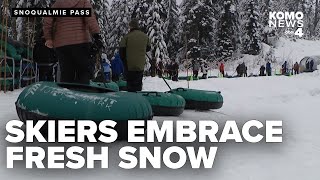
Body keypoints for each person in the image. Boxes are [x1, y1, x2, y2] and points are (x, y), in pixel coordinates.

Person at [43, 0, 103, 85]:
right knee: (83, 72)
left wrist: (49, 38)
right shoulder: (83, 2)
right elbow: (90, 18)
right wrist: (96, 35)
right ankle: (81, 93)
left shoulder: (58, 3)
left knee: (66, 73)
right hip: (81, 42)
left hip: (62, 45)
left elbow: (47, 20)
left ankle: (66, 95)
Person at [119, 19, 151, 92]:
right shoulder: (145, 36)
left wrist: (124, 61)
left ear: (130, 27)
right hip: (140, 64)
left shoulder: (127, 37)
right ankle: (138, 95)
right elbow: (148, 48)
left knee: (130, 83)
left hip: (129, 64)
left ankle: (131, 97)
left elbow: (121, 51)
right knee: (138, 82)